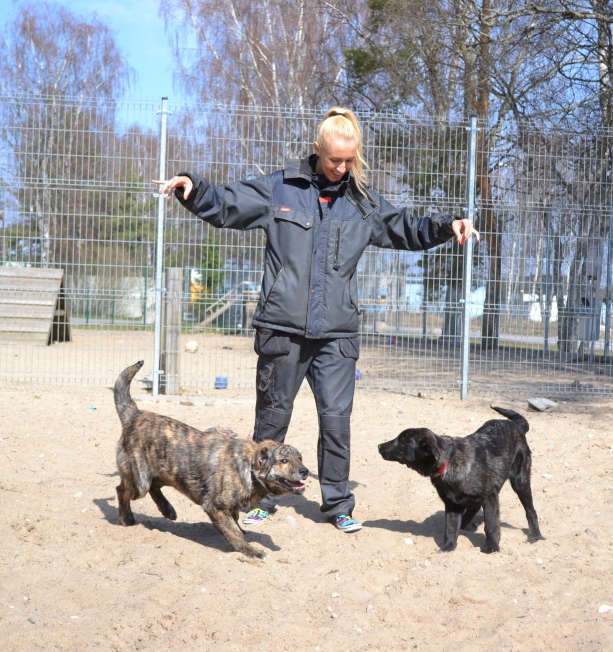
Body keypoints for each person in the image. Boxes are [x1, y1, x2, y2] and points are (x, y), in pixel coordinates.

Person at [152, 107, 480, 534]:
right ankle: (261, 498)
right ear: (317, 150)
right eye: (333, 159)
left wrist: (446, 225)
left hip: (336, 335)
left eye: (349, 160)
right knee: (271, 421)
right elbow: (229, 203)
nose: (341, 168)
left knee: (336, 422)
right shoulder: (280, 188)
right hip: (282, 330)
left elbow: (406, 227)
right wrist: (193, 189)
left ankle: (338, 504)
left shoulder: (363, 203)